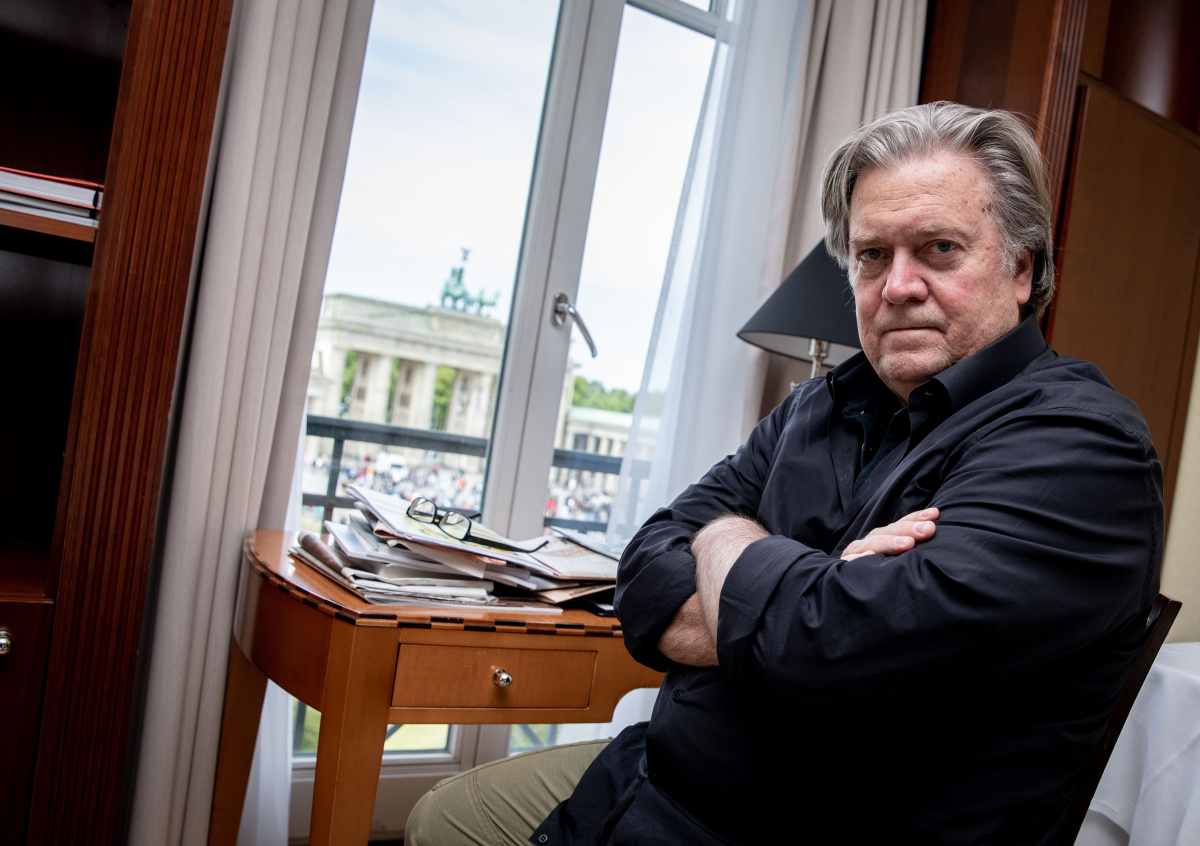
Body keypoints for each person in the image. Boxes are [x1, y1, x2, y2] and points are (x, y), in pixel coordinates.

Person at [405, 102, 1163, 845]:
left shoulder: (1084, 448)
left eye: (939, 248)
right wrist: (803, 593)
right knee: (439, 817)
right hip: (649, 782)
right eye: (872, 256)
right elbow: (644, 576)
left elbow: (817, 649)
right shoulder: (819, 405)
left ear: (1021, 269)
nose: (897, 286)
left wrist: (729, 550)